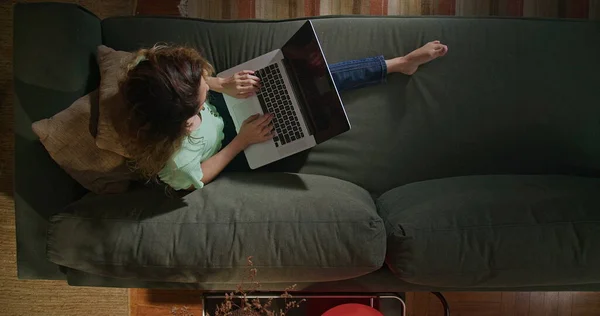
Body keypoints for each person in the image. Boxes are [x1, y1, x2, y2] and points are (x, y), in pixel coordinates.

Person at [118, 41, 448, 190]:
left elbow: (196, 79)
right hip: (232, 150)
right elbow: (200, 176)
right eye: (199, 102)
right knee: (303, 112)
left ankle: (397, 63)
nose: (205, 93)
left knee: (301, 81)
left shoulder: (147, 72)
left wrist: (221, 84)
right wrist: (241, 142)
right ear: (181, 121)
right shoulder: (175, 162)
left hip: (226, 111)